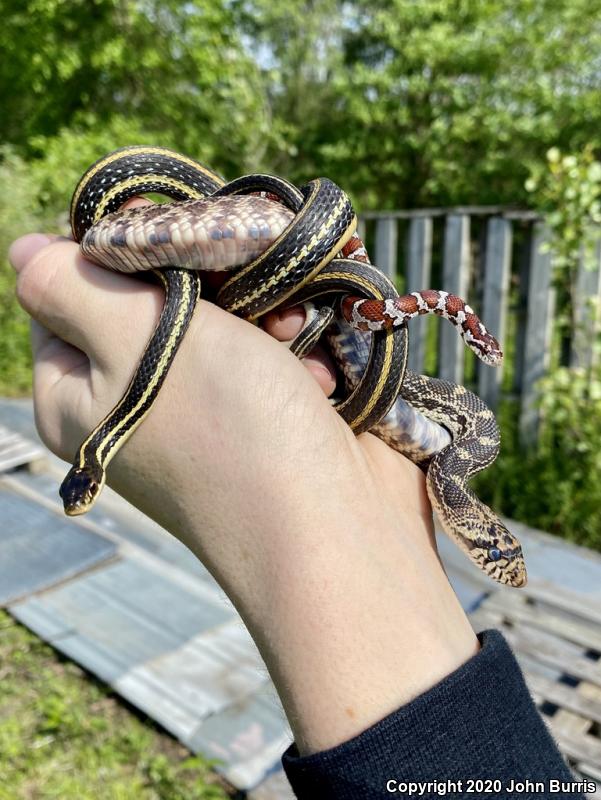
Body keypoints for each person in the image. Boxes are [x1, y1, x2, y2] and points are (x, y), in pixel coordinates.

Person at [9, 217, 585, 799]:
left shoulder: (457, 458)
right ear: (474, 525)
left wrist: (296, 498)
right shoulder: (454, 460)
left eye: (494, 556)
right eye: (495, 550)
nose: (497, 565)